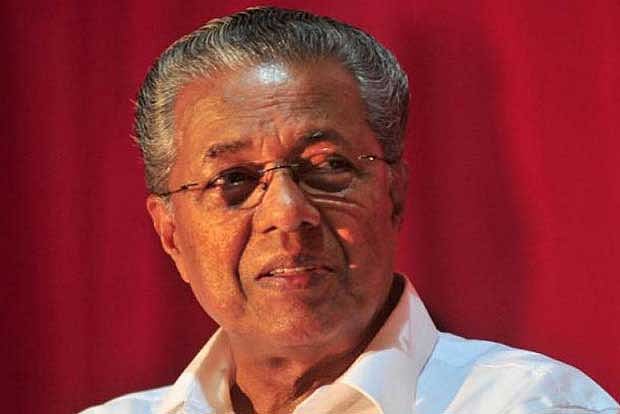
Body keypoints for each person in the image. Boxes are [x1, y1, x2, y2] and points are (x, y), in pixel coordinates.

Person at [81, 7, 618, 414]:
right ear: (171, 233)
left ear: (394, 194)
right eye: (235, 180)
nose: (287, 213)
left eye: (328, 166)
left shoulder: (532, 404)